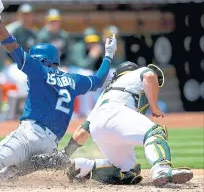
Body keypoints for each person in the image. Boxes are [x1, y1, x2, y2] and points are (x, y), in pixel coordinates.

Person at [0, 0, 117, 188]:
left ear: (41, 59)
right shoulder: (73, 79)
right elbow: (98, 81)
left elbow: (10, 45)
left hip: (30, 134)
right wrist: (108, 56)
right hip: (50, 146)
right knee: (10, 174)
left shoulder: (39, 69)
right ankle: (5, 177)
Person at [32, 62, 193, 186]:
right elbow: (150, 76)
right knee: (155, 132)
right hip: (117, 115)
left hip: (99, 129)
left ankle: (83, 166)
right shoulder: (135, 74)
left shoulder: (105, 95)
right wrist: (155, 106)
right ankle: (161, 169)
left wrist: (66, 154)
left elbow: (82, 132)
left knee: (128, 173)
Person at [0, 3, 38, 115]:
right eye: (24, 14)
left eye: (29, 14)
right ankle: (22, 108)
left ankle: (22, 109)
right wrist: (4, 57)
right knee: (24, 79)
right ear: (19, 15)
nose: (26, 17)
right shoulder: (14, 28)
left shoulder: (33, 33)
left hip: (26, 66)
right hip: (12, 66)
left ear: (32, 16)